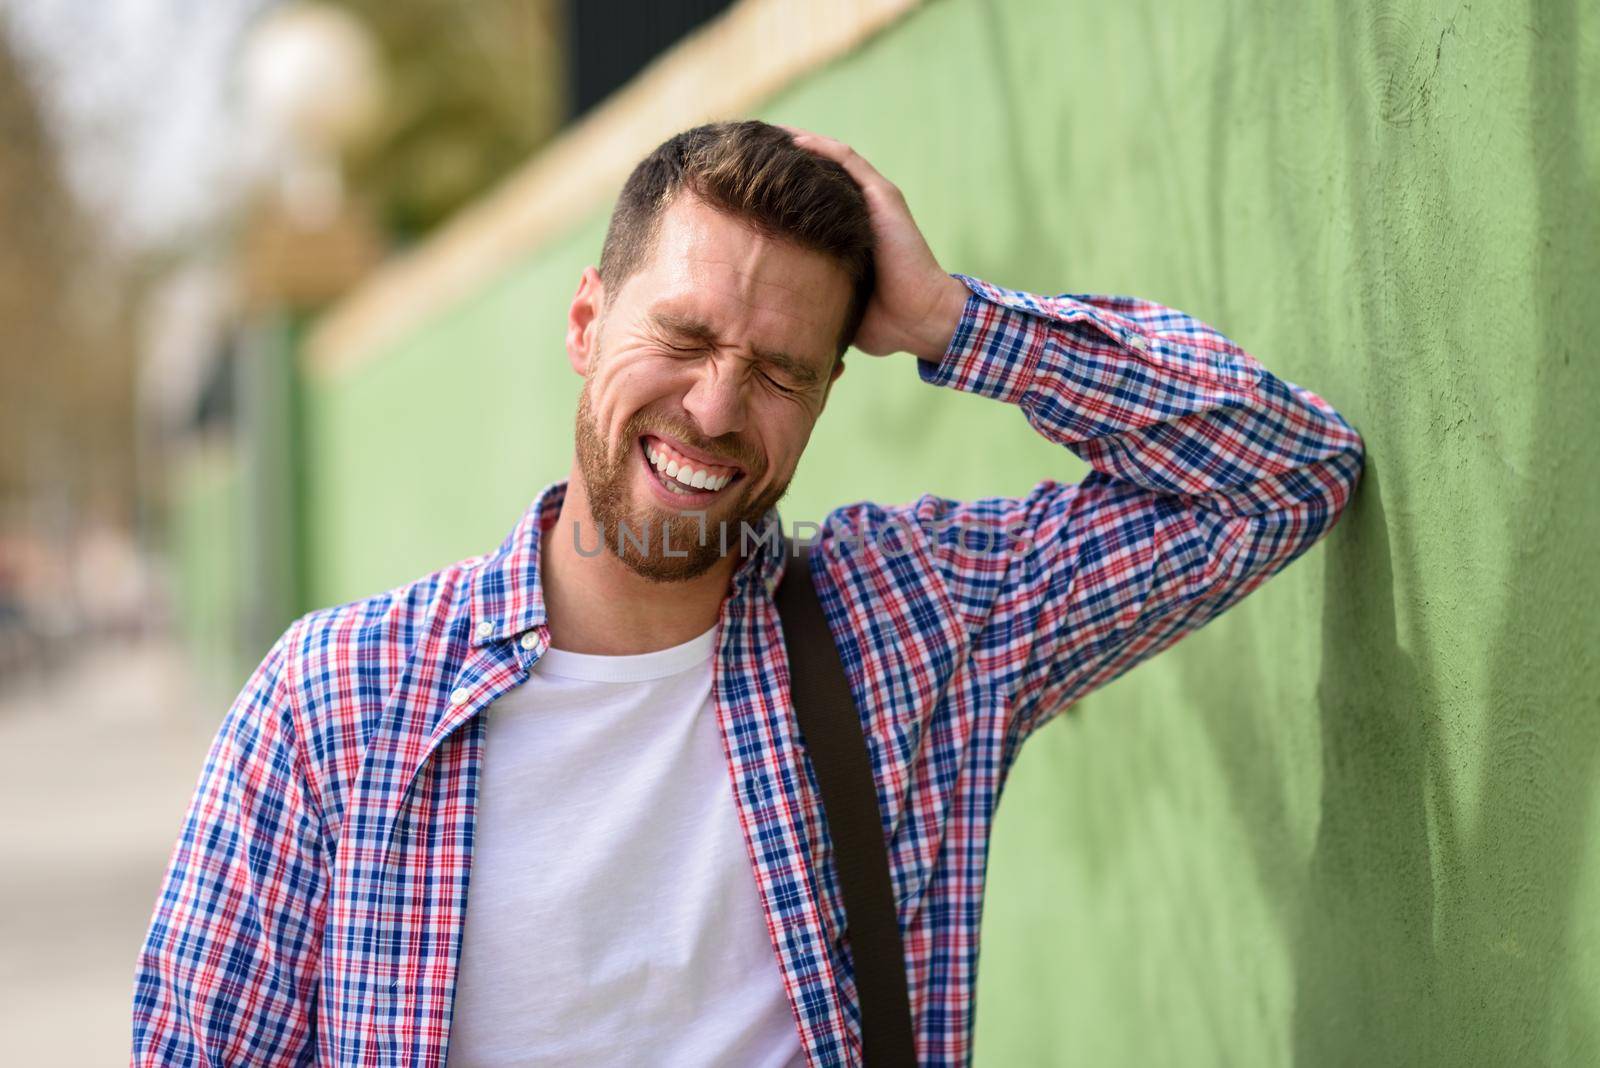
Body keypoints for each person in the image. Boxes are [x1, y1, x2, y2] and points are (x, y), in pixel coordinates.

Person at [131, 120, 1365, 1066]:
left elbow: (1280, 473)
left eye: (780, 370)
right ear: (584, 319)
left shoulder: (915, 626)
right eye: (681, 338)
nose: (715, 410)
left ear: (831, 388)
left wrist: (950, 319)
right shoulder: (337, 701)